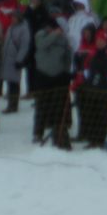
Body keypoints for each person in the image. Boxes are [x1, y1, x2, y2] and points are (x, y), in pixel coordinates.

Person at [79, 28, 107, 147]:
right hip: (92, 90)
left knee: (103, 115)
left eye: (102, 40)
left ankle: (100, 139)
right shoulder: (92, 53)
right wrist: (88, 81)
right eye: (98, 40)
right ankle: (92, 139)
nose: (99, 42)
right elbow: (86, 68)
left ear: (106, 41)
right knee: (92, 114)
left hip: (105, 91)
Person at [34, 17, 72, 147]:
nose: (50, 29)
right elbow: (41, 45)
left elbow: (68, 54)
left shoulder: (63, 39)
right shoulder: (40, 35)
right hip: (43, 76)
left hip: (58, 77)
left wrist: (66, 71)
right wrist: (54, 35)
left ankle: (58, 131)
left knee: (57, 106)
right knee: (42, 105)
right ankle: (38, 132)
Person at [2, 9, 31, 113]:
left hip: (15, 59)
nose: (12, 19)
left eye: (14, 17)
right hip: (7, 59)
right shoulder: (10, 28)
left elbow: (24, 46)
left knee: (14, 83)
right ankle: (11, 103)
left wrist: (19, 59)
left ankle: (13, 105)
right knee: (10, 83)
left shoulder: (24, 29)